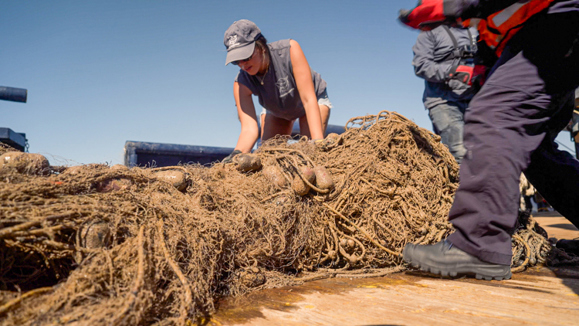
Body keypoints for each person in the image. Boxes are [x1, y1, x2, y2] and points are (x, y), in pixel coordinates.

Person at [399, 0, 579, 280]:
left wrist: (456, 5)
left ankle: (478, 245)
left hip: (555, 22)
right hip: (544, 34)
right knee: (536, 152)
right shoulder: (455, 31)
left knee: (493, 117)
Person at [222, 19, 332, 162]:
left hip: (311, 102)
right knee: (268, 157)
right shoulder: (241, 83)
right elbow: (249, 128)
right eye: (236, 61)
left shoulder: (289, 50)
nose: (242, 64)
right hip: (277, 110)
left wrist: (318, 143)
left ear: (260, 45)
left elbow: (308, 99)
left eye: (245, 56)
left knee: (308, 154)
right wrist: (236, 154)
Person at [412, 25, 478, 163]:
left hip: (476, 100)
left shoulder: (477, 28)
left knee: (488, 151)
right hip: (443, 101)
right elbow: (421, 66)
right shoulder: (430, 31)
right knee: (460, 153)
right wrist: (455, 71)